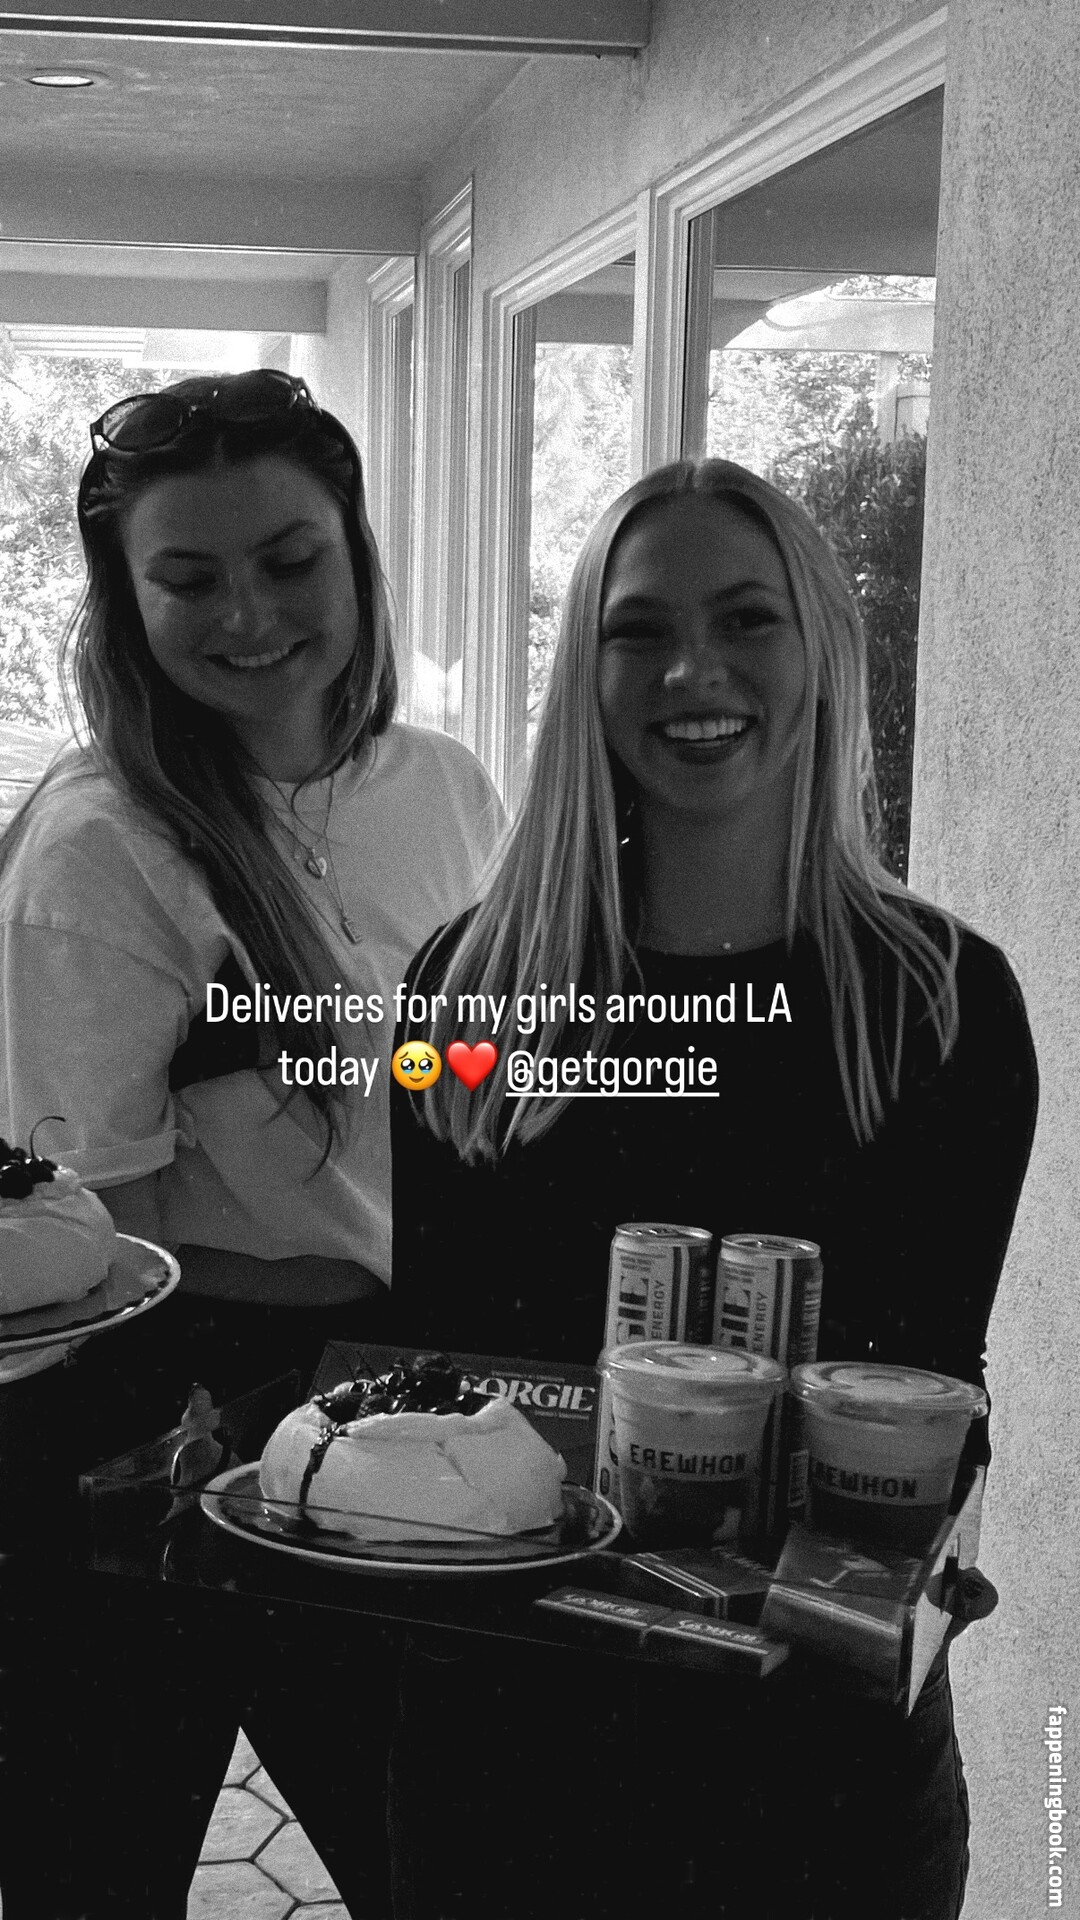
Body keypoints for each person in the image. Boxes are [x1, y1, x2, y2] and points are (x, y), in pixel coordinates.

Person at [386, 459, 1039, 1919]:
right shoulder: (471, 989)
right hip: (510, 1749)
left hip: (819, 1764)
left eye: (747, 619)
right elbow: (436, 1367)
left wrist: (923, 1545)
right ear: (585, 669)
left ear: (821, 650)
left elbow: (939, 1380)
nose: (693, 672)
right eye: (639, 630)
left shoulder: (941, 1005)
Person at [0, 369, 503, 1919]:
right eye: (190, 577)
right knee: (101, 1871)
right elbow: (77, 1260)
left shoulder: (448, 787)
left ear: (354, 552)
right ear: (126, 601)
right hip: (158, 1419)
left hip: (412, 1384)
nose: (250, 615)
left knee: (441, 1857)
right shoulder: (97, 853)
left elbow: (479, 1088)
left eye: (289, 560)